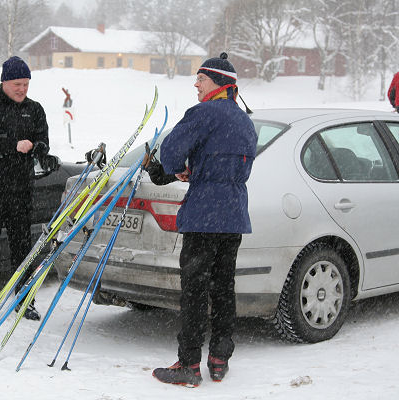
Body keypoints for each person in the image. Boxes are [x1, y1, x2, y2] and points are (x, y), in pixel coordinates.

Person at [150, 53, 257, 388]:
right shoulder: (245, 122)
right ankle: (220, 358)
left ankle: (188, 365)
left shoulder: (203, 112)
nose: (195, 84)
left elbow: (169, 153)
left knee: (195, 291)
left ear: (218, 84)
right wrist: (199, 169)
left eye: (201, 79)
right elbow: (236, 166)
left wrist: (175, 168)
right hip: (233, 213)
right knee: (224, 288)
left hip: (203, 214)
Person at [0, 56, 49, 322]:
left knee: (23, 246)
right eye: (17, 84)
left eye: (26, 84)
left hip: (20, 189)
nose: (22, 89)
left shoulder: (34, 109)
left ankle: (25, 299)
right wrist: (12, 145)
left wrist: (42, 152)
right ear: (4, 81)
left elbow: (42, 140)